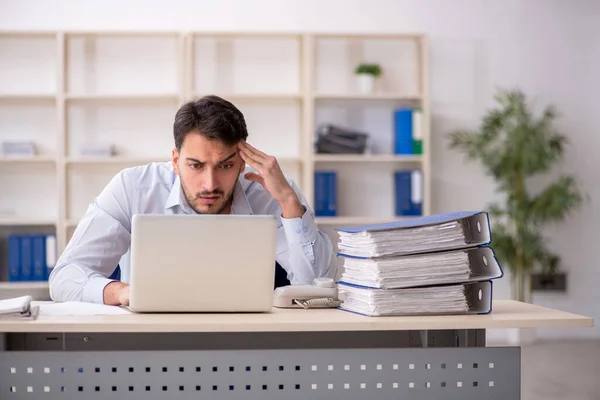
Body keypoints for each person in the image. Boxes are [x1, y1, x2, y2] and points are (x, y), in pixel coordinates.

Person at [49, 95, 337, 306]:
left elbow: (316, 285)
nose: (210, 185)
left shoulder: (273, 191)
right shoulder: (133, 187)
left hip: (250, 341)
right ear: (175, 160)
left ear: (241, 161)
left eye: (225, 166)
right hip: (154, 342)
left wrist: (288, 200)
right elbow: (64, 279)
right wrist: (123, 292)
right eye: (196, 165)